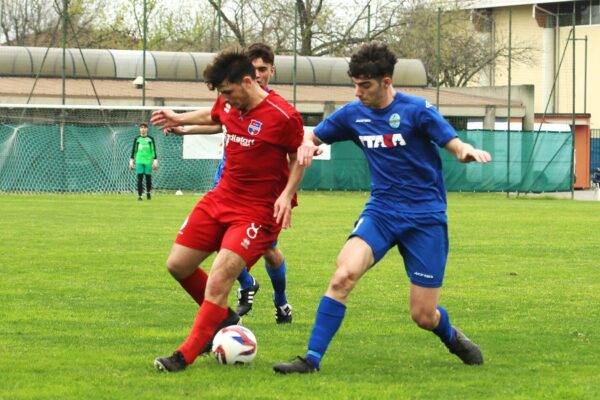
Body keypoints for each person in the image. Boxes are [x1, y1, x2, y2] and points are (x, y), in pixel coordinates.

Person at [273, 42, 492, 374]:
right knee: (343, 275)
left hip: (425, 218)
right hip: (381, 212)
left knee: (422, 315)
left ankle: (450, 334)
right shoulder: (352, 114)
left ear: (386, 82)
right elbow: (312, 137)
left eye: (366, 85)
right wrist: (306, 147)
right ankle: (311, 360)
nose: (359, 92)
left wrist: (464, 151)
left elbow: (453, 142)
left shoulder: (417, 110)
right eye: (356, 84)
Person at [150, 47, 305, 372]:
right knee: (178, 265)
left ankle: (185, 355)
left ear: (248, 81)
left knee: (219, 279)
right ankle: (223, 318)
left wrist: (287, 194)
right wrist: (178, 118)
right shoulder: (228, 102)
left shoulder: (283, 115)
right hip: (220, 198)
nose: (225, 100)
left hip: (256, 212)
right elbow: (214, 114)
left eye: (228, 93)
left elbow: (297, 156)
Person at [167, 43, 293, 324]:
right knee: (219, 246)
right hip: (226, 184)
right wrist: (184, 128)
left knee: (269, 252)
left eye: (263, 69)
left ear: (272, 71)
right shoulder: (233, 97)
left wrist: (286, 193)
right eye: (254, 68)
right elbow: (217, 120)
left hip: (260, 197)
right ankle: (243, 291)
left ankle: (281, 301)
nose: (259, 74)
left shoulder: (277, 110)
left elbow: (295, 148)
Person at [129, 122, 158, 200]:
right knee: (140, 179)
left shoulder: (150, 139)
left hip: (148, 161)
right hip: (139, 161)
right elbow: (134, 150)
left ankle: (148, 192)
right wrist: (131, 161)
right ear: (139, 129)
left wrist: (155, 160)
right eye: (141, 127)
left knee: (148, 178)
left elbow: (153, 150)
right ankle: (140, 196)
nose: (143, 129)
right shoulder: (137, 139)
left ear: (147, 129)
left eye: (144, 127)